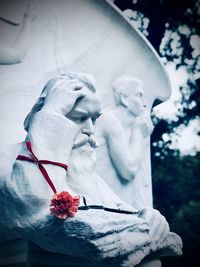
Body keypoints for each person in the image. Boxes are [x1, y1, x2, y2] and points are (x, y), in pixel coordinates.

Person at [0, 73, 181, 266]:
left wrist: (148, 216)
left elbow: (116, 210)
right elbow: (35, 208)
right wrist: (51, 113)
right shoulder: (8, 160)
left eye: (94, 119)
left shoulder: (86, 173)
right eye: (79, 117)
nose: (90, 129)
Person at [95, 76, 153, 208]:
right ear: (124, 98)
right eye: (139, 95)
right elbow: (129, 170)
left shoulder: (121, 125)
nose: (144, 103)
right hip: (102, 204)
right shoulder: (108, 119)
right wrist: (137, 131)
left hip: (112, 204)